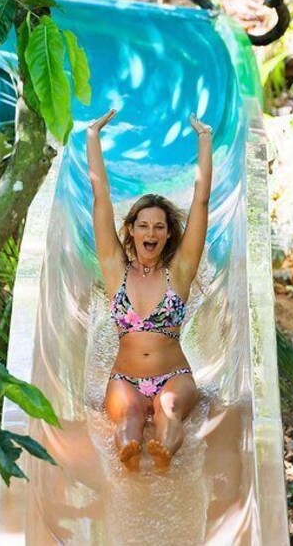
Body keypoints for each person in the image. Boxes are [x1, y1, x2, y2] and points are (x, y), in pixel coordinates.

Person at [86, 108, 213, 473]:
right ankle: (129, 453)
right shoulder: (116, 271)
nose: (151, 234)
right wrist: (92, 137)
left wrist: (204, 139)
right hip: (124, 377)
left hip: (174, 376)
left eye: (159, 227)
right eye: (143, 226)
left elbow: (201, 201)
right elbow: (101, 197)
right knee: (128, 416)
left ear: (169, 233)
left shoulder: (180, 271)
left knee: (168, 410)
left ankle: (164, 452)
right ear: (132, 230)